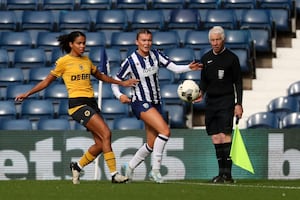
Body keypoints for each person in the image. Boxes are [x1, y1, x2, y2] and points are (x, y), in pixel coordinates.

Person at [15, 31, 139, 184]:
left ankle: (77, 166)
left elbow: (100, 76)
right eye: (79, 43)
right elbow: (46, 82)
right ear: (71, 44)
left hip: (91, 103)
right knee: (106, 133)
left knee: (101, 144)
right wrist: (27, 93)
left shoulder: (86, 61)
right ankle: (114, 174)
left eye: (84, 43)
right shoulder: (63, 62)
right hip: (77, 105)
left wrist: (122, 83)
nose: (82, 46)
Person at [111, 29, 202, 183]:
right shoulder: (131, 61)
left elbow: (174, 67)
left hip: (156, 102)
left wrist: (188, 67)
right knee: (165, 131)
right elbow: (115, 81)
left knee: (152, 144)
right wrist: (120, 95)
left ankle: (130, 166)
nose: (147, 43)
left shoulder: (156, 55)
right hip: (140, 102)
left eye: (149, 40)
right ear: (137, 42)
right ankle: (155, 171)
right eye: (143, 40)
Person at [196, 26, 243, 183]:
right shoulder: (206, 58)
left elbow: (238, 82)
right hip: (211, 102)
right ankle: (220, 173)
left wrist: (239, 104)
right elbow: (204, 81)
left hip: (226, 100)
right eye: (212, 40)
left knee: (225, 136)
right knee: (216, 137)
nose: (215, 43)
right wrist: (201, 92)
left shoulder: (232, 58)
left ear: (223, 40)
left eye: (218, 39)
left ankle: (227, 174)